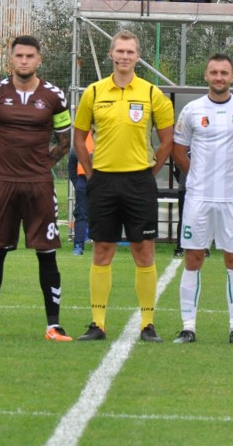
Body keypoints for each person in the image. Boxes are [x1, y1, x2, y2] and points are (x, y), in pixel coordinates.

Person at [0, 35, 73, 341]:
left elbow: (64, 142)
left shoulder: (54, 96)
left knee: (47, 253)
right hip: (3, 185)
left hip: (40, 185)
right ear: (10, 59)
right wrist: (6, 167)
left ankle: (54, 326)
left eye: (30, 56)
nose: (24, 61)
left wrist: (39, 168)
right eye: (19, 56)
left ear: (39, 60)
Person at [73, 29, 174, 342]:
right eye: (120, 51)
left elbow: (168, 139)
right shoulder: (94, 91)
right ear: (111, 55)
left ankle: (147, 324)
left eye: (131, 52)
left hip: (138, 181)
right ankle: (97, 323)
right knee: (102, 249)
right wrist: (91, 174)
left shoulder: (151, 92)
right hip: (103, 180)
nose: (125, 57)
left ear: (138, 56)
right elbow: (78, 136)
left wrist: (149, 172)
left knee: (143, 251)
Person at [172, 55, 233, 345]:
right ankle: (188, 327)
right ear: (206, 76)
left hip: (232, 200)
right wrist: (197, 177)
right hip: (198, 198)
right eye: (214, 72)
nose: (219, 77)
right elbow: (178, 152)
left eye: (224, 72)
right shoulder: (191, 110)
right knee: (193, 258)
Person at [67, 131, 94, 256]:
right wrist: (77, 182)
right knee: (81, 214)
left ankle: (107, 243)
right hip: (83, 181)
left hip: (104, 180)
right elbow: (72, 162)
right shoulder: (83, 137)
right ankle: (78, 245)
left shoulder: (108, 133)